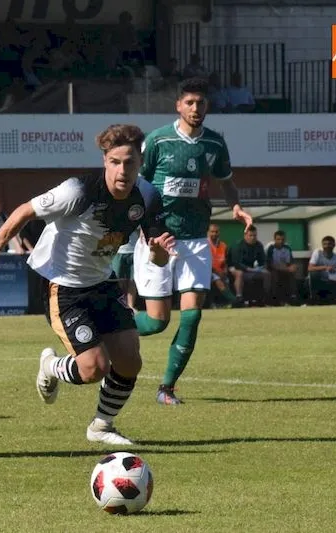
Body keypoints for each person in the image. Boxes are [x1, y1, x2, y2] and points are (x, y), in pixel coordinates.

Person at [0, 124, 174, 445]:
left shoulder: (147, 196)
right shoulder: (78, 191)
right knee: (93, 369)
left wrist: (157, 254)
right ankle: (50, 365)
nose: (122, 170)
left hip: (102, 282)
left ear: (139, 163)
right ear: (104, 161)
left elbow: (159, 257)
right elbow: (22, 212)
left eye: (129, 162)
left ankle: (101, 426)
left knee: (130, 360)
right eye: (115, 161)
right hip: (63, 286)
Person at [132, 77, 253, 405]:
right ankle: (108, 327)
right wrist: (142, 226)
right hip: (158, 237)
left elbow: (226, 182)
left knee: (193, 315)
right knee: (156, 322)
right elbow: (137, 186)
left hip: (196, 238)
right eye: (190, 103)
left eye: (201, 103)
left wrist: (237, 207)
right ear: (178, 105)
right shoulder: (158, 140)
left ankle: (166, 388)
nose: (196, 108)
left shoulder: (214, 144)